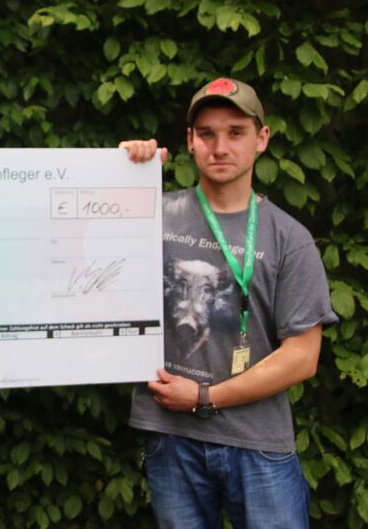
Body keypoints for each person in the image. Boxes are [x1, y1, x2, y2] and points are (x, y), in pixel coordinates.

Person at [120, 77, 338, 529]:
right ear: (190, 141)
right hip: (171, 439)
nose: (220, 147)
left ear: (262, 139)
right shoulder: (150, 216)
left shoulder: (289, 238)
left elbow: (302, 356)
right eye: (207, 134)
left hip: (258, 443)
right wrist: (120, 176)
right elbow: (80, 255)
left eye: (236, 132)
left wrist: (203, 398)